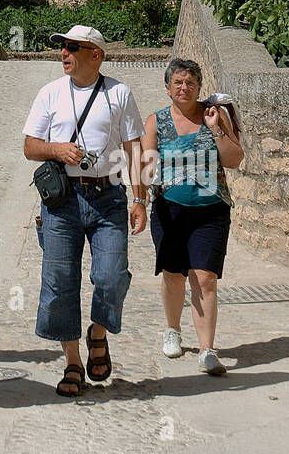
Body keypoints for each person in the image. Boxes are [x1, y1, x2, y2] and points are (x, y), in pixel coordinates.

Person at [23, 25, 145, 397]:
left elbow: (135, 149)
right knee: (59, 284)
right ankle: (72, 362)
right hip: (62, 201)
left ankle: (98, 332)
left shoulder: (118, 93)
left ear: (96, 55)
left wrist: (140, 198)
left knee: (110, 277)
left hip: (108, 198)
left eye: (72, 47)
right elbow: (30, 146)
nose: (64, 53)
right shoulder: (50, 93)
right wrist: (57, 150)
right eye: (62, 47)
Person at [142, 58, 244, 376]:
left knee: (205, 277)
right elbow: (147, 166)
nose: (184, 88)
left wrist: (215, 131)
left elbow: (235, 158)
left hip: (210, 210)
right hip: (169, 210)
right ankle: (172, 330)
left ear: (199, 86)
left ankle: (206, 350)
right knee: (174, 274)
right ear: (168, 88)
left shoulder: (215, 115)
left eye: (190, 83)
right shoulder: (155, 121)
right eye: (178, 83)